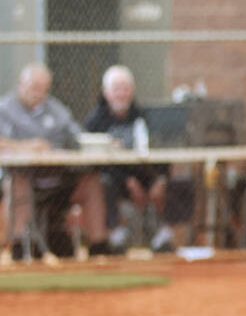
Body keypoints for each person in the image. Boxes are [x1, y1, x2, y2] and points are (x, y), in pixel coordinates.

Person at [0, 62, 109, 260]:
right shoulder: (5, 109)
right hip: (27, 179)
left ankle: (98, 248)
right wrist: (27, 146)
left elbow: (76, 138)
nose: (39, 93)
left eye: (44, 89)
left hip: (59, 179)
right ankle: (18, 246)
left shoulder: (56, 110)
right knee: (16, 183)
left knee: (91, 182)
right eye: (34, 88)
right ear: (20, 85)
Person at [83, 65, 190, 253]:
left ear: (132, 91)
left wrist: (161, 179)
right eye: (116, 89)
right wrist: (126, 180)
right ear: (106, 92)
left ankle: (162, 235)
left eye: (125, 89)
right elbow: (93, 161)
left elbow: (160, 149)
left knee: (176, 181)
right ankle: (117, 234)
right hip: (114, 177)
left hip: (145, 174)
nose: (121, 94)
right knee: (103, 182)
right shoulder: (95, 121)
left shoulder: (144, 116)